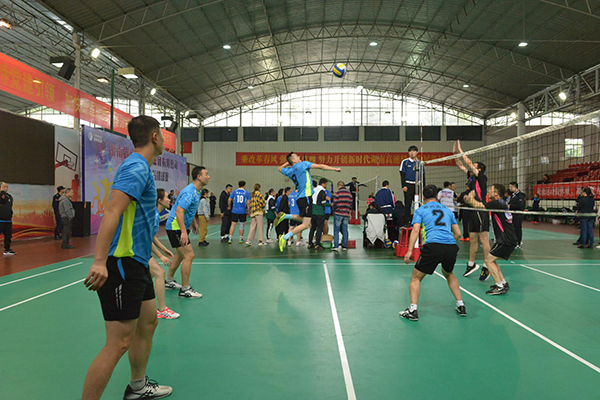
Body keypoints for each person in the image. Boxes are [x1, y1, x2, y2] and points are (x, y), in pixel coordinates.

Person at [82, 115, 172, 399]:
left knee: (148, 322)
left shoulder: (142, 167)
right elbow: (112, 211)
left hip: (138, 262)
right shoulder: (136, 167)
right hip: (122, 263)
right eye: (163, 135)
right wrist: (99, 261)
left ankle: (137, 387)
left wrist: (153, 250)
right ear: (155, 137)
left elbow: (138, 219)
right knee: (118, 343)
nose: (164, 140)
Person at [399, 184, 465, 321]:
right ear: (437, 196)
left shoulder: (420, 210)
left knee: (415, 278)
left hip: (433, 247)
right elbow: (458, 233)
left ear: (423, 196)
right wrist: (448, 242)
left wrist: (409, 250)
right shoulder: (447, 210)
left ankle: (412, 310)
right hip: (450, 247)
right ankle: (461, 305)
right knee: (449, 274)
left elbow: (415, 230)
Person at [275, 152, 341, 251]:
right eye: (296, 156)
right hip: (305, 197)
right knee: (306, 225)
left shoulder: (289, 170)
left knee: (306, 221)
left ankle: (285, 216)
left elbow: (279, 168)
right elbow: (321, 166)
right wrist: (334, 169)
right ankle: (284, 238)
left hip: (300, 198)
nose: (299, 157)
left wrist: (289, 163)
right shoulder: (303, 164)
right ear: (293, 160)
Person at [165, 166, 210, 299]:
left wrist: (194, 222)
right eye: (206, 174)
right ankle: (185, 289)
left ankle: (169, 281)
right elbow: (179, 211)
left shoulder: (197, 191)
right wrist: (183, 232)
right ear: (199, 177)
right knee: (189, 255)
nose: (208, 177)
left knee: (180, 255)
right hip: (176, 227)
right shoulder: (189, 192)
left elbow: (189, 209)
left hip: (178, 226)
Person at [464, 183, 516, 295]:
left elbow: (477, 205)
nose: (489, 192)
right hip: (507, 239)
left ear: (496, 193)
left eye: (491, 191)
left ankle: (499, 286)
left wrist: (470, 196)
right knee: (492, 260)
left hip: (505, 240)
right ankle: (503, 283)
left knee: (488, 261)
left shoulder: (496, 203)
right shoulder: (501, 203)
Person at [454, 140, 491, 281]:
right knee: (473, 239)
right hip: (471, 210)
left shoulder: (481, 177)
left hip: (480, 209)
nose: (472, 167)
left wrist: (461, 150)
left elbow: (468, 163)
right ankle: (471, 264)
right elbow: (461, 165)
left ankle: (487, 265)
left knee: (484, 238)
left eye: (475, 166)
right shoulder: (471, 179)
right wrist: (455, 154)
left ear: (479, 169)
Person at [151, 189, 179, 320]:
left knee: (149, 275)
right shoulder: (153, 215)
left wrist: (164, 249)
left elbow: (152, 236)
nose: (169, 200)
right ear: (160, 200)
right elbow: (146, 238)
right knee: (160, 273)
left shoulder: (156, 214)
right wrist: (160, 256)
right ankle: (162, 310)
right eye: (167, 197)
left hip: (140, 249)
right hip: (136, 250)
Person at [399, 145, 423, 224]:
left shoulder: (420, 163)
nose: (412, 153)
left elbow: (423, 176)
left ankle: (418, 221)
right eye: (410, 151)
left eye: (414, 151)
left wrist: (423, 187)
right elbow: (402, 174)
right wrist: (403, 185)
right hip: (408, 185)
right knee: (408, 204)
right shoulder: (405, 162)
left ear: (417, 152)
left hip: (417, 185)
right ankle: (407, 222)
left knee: (418, 204)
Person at [308, 178, 330, 249]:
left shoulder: (314, 190)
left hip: (313, 212)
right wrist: (330, 205)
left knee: (312, 228)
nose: (326, 186)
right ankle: (317, 244)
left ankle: (310, 243)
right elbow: (323, 202)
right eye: (326, 184)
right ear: (324, 183)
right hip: (320, 212)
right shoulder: (322, 191)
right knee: (319, 229)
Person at [332, 181, 352, 251]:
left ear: (339, 186)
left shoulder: (337, 193)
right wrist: (349, 213)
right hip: (346, 214)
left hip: (338, 213)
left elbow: (335, 203)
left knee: (336, 230)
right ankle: (344, 246)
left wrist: (334, 210)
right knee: (345, 230)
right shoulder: (349, 194)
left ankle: (336, 246)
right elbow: (351, 205)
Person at [508, 182, 526, 248]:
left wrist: (510, 206)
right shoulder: (512, 195)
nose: (509, 188)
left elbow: (521, 206)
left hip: (518, 215)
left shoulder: (521, 195)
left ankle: (518, 242)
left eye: (510, 187)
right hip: (512, 215)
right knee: (513, 229)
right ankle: (514, 241)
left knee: (517, 228)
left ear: (514, 187)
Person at [0, 182, 15, 256]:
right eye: (4, 187)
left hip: (8, 220)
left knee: (8, 236)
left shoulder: (9, 196)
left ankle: (7, 250)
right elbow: (3, 200)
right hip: (0, 220)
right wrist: (2, 192)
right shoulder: (1, 196)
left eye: (6, 187)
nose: (6, 188)